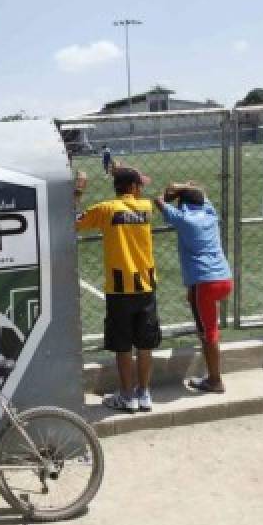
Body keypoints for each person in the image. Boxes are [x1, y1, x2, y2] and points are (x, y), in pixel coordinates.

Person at [76, 166, 160, 412]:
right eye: (139, 185)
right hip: (146, 285)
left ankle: (127, 395)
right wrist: (122, 171)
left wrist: (79, 188)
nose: (142, 188)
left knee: (123, 345)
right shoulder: (145, 208)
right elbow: (137, 194)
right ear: (134, 188)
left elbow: (73, 220)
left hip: (119, 289)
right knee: (145, 344)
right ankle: (144, 393)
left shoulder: (106, 209)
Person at [152, 182, 233, 392]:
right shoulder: (209, 212)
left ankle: (215, 380)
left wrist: (173, 190)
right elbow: (200, 192)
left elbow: (158, 200)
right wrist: (182, 188)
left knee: (209, 333)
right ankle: (211, 364)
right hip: (224, 278)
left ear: (184, 204)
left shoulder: (184, 218)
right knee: (206, 321)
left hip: (204, 282)